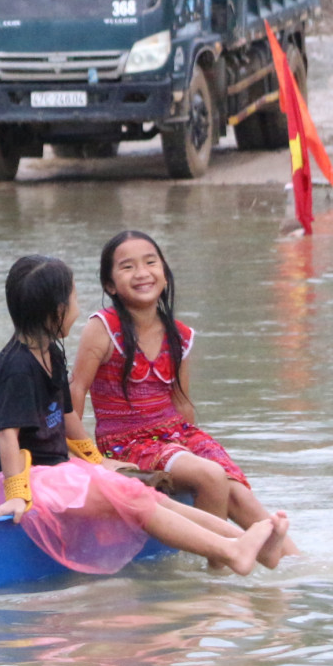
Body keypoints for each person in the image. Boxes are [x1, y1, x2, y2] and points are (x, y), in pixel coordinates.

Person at [0, 254, 287, 577]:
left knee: (147, 495)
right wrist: (17, 496)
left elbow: (67, 415)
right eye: (74, 299)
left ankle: (247, 544)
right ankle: (231, 551)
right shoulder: (18, 367)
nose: (77, 308)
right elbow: (7, 435)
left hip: (61, 472)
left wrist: (95, 459)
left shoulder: (51, 354)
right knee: (136, 503)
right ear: (56, 310)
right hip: (32, 481)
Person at [68, 230, 293, 550]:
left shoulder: (180, 334)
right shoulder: (103, 328)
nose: (142, 273)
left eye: (150, 262)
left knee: (238, 492)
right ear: (110, 285)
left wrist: (193, 450)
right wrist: (82, 458)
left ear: (165, 273)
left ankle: (292, 561)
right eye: (127, 267)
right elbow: (75, 392)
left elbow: (181, 404)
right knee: (211, 476)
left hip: (176, 434)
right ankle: (216, 568)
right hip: (126, 443)